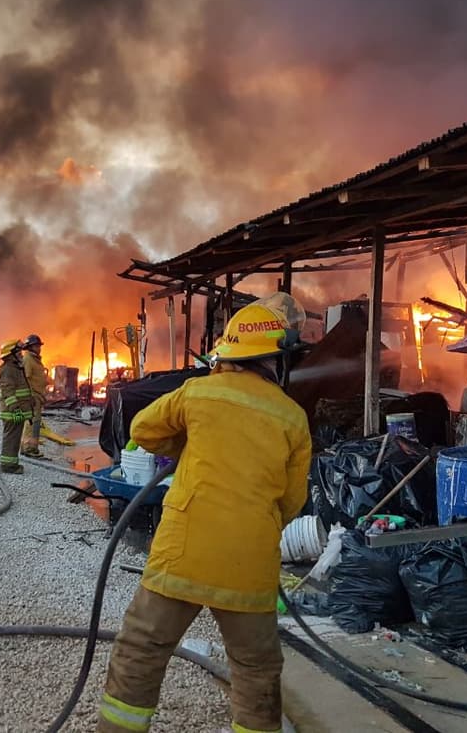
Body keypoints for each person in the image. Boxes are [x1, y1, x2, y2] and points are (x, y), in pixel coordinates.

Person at [97, 299, 311, 733]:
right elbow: (292, 502)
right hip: (249, 563)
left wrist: (189, 451)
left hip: (183, 552)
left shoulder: (197, 392)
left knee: (143, 647)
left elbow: (142, 430)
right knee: (256, 669)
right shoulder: (292, 416)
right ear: (273, 358)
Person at [0, 339, 33, 474]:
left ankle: (12, 463)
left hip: (17, 411)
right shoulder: (8, 369)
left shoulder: (16, 368)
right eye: (18, 352)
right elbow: (8, 391)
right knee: (11, 438)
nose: (21, 354)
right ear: (11, 354)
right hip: (12, 412)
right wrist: (15, 409)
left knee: (15, 438)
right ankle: (8, 466)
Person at [20, 333, 48, 458]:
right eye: (36, 346)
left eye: (39, 345)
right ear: (30, 347)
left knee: (36, 423)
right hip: (33, 396)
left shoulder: (35, 359)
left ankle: (33, 448)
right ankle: (27, 448)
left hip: (38, 396)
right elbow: (25, 379)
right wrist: (29, 396)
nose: (39, 348)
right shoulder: (28, 359)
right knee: (31, 423)